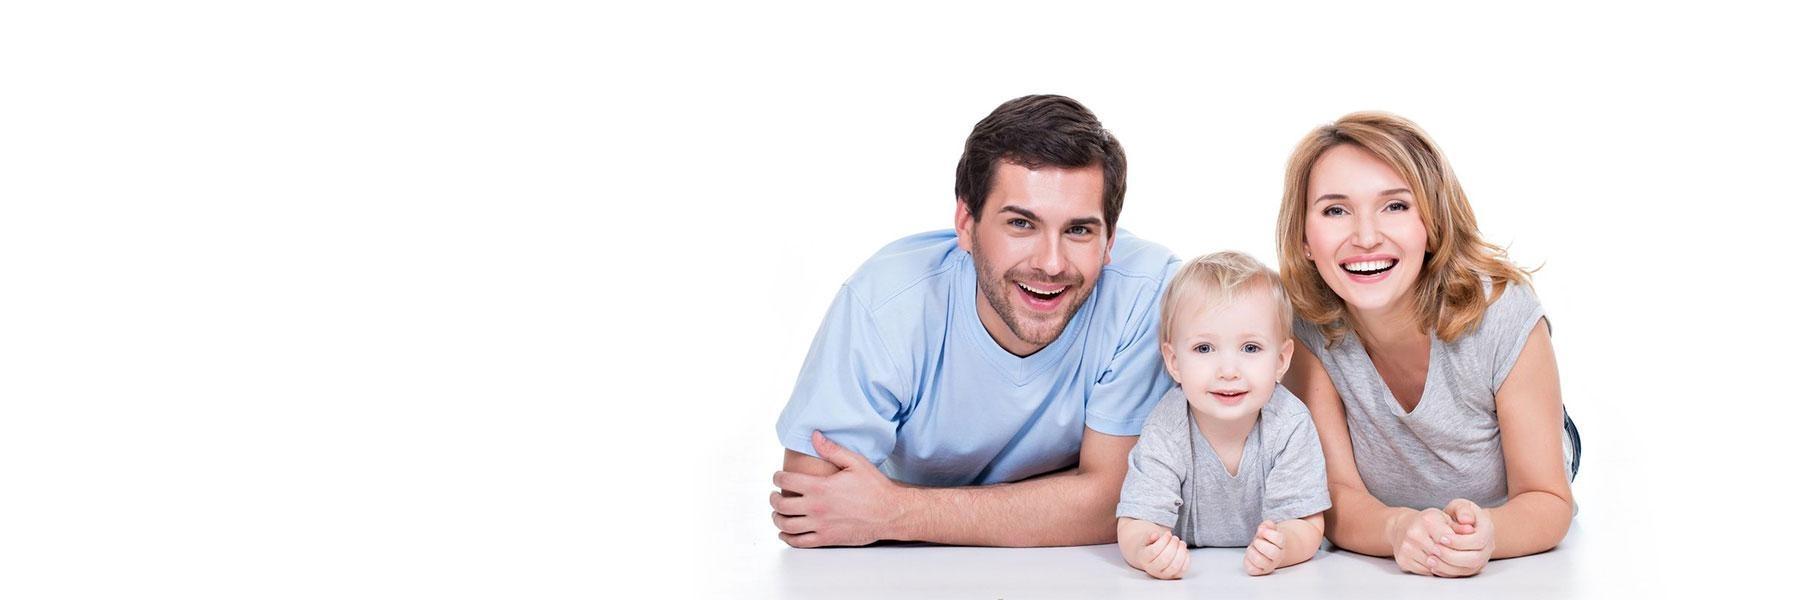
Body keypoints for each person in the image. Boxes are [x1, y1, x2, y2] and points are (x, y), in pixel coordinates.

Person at [768, 95, 1180, 547]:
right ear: (966, 222)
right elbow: (809, 504)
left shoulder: (1148, 294)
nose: (1051, 263)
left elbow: (1117, 504)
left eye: (1079, 230)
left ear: (1109, 239)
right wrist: (1055, 502)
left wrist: (893, 512)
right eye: (1021, 224)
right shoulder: (888, 303)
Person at [1276, 112, 1582, 577]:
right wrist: (1397, 528)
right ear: (1304, 238)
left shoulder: (1502, 312)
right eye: (1335, 210)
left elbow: (1549, 500)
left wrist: (1489, 534)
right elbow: (1335, 495)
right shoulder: (1303, 328)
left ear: (1432, 222)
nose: (1365, 236)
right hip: (1407, 491)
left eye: (1395, 206)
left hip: (1510, 478)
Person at [1116, 251, 1329, 579]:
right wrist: (1147, 550)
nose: (1228, 371)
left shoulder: (1290, 423)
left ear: (1282, 360)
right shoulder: (1166, 426)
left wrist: (1284, 546)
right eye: (1204, 348)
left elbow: (1307, 522)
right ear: (1174, 361)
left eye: (1250, 348)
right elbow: (1135, 520)